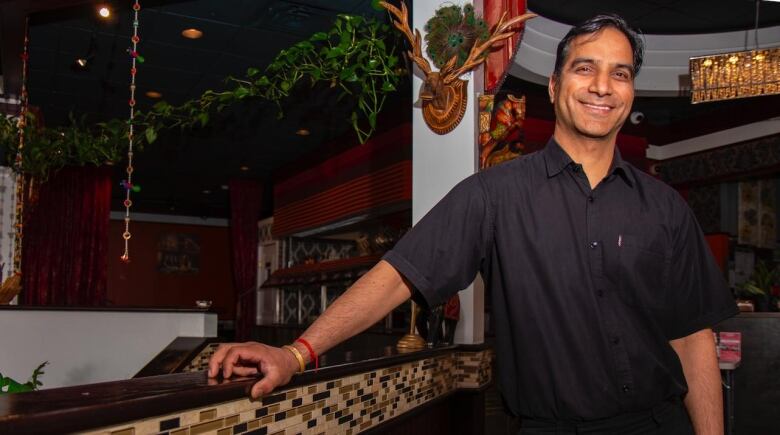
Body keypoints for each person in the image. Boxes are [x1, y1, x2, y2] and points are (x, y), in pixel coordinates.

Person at [209, 14, 737, 435]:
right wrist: (296, 353)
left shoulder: (665, 207)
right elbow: (398, 275)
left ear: (631, 94)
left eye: (619, 73)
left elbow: (693, 339)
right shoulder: (494, 195)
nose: (602, 85)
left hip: (657, 424)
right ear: (553, 87)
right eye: (585, 68)